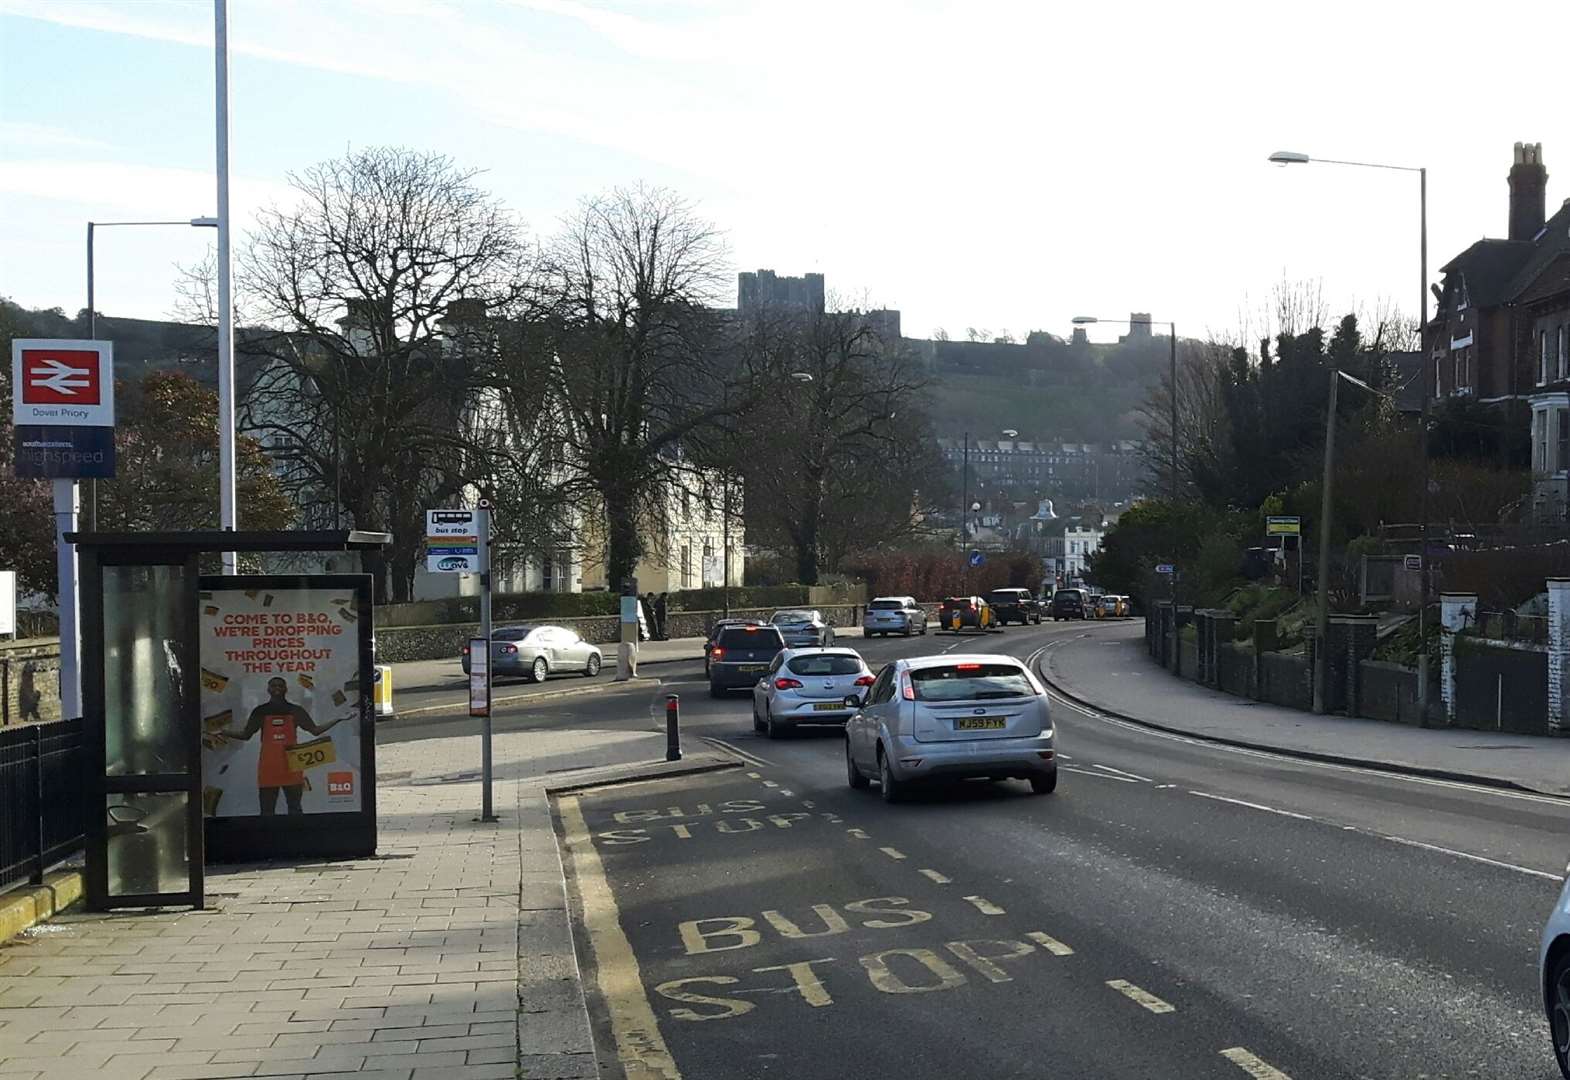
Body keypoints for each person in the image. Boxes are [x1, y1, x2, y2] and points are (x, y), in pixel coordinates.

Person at [224, 677, 346, 816]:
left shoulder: (295, 711)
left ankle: (296, 836)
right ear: (268, 689)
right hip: (269, 768)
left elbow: (315, 730)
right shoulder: (260, 711)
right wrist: (225, 732)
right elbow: (245, 735)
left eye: (280, 685)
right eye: (273, 685)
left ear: (286, 689)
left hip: (292, 767)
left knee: (295, 809)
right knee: (267, 811)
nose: (277, 688)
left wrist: (338, 719)